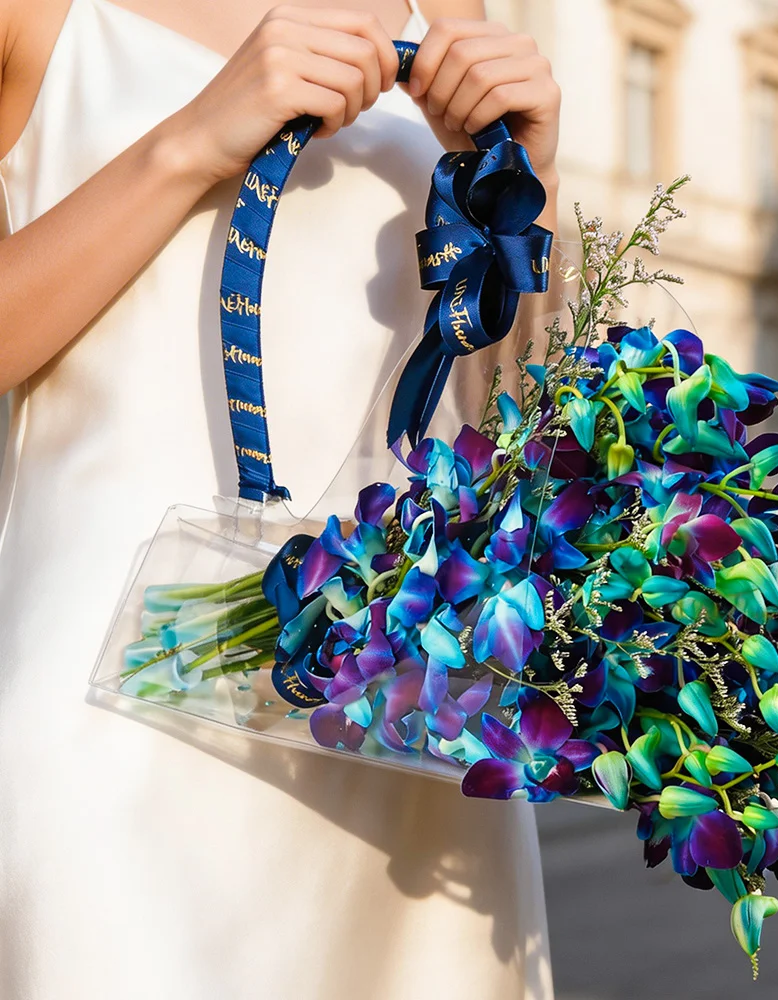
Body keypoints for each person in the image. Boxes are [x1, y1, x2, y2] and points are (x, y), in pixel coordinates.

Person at [0, 2, 561, 996]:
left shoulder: (446, 10)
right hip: (109, 712)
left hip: (393, 722)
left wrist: (531, 187)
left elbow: (513, 427)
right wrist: (189, 143)